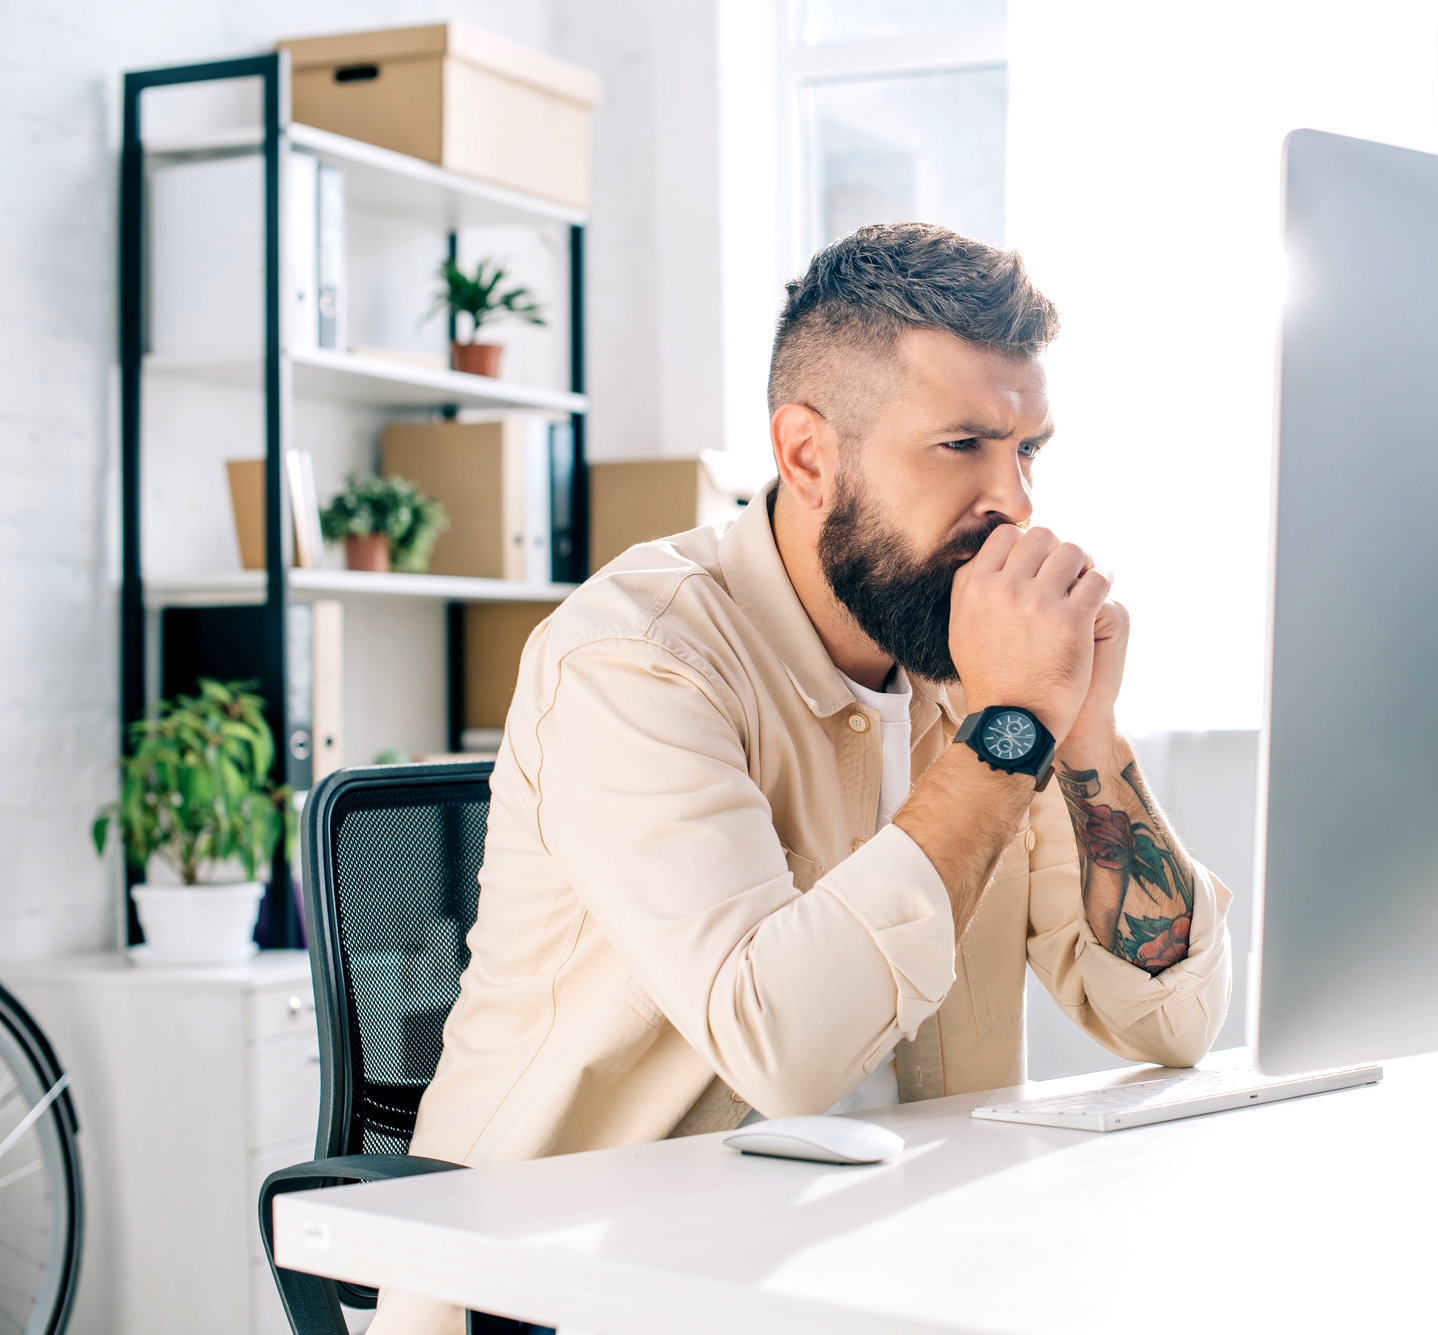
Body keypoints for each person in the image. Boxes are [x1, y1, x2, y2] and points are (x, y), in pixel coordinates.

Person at [373, 223, 1233, 1335]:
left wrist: (1085, 738)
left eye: (1028, 451)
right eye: (963, 445)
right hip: (572, 1293)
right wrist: (1015, 723)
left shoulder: (969, 672)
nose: (1014, 502)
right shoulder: (634, 658)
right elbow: (784, 1047)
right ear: (808, 455)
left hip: (875, 1269)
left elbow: (1169, 1021)